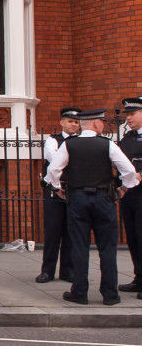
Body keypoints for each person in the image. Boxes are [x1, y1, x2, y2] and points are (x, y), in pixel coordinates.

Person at [47, 109, 138, 306]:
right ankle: (110, 295)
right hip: (104, 198)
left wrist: (57, 188)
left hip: (78, 198)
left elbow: (53, 170)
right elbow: (129, 171)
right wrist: (124, 188)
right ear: (96, 124)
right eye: (102, 122)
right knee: (107, 248)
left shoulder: (69, 145)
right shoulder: (108, 145)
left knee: (79, 246)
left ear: (82, 124)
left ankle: (79, 293)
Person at [36, 106, 81, 284]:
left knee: (71, 231)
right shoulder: (52, 140)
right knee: (52, 231)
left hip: (73, 189)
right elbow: (55, 160)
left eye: (76, 122)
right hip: (54, 190)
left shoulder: (81, 141)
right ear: (62, 122)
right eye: (70, 121)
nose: (74, 125)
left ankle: (67, 271)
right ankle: (47, 270)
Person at [117, 97, 142, 297]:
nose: (129, 118)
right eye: (128, 115)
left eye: (133, 114)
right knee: (133, 238)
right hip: (129, 195)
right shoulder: (128, 138)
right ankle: (139, 278)